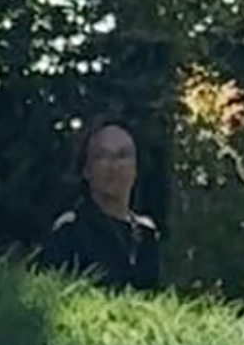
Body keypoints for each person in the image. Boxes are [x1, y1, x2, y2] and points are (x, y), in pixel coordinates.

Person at [31, 114, 163, 292]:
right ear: (86, 169)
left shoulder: (147, 235)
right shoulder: (71, 230)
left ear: (136, 167)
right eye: (102, 156)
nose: (114, 166)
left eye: (123, 156)